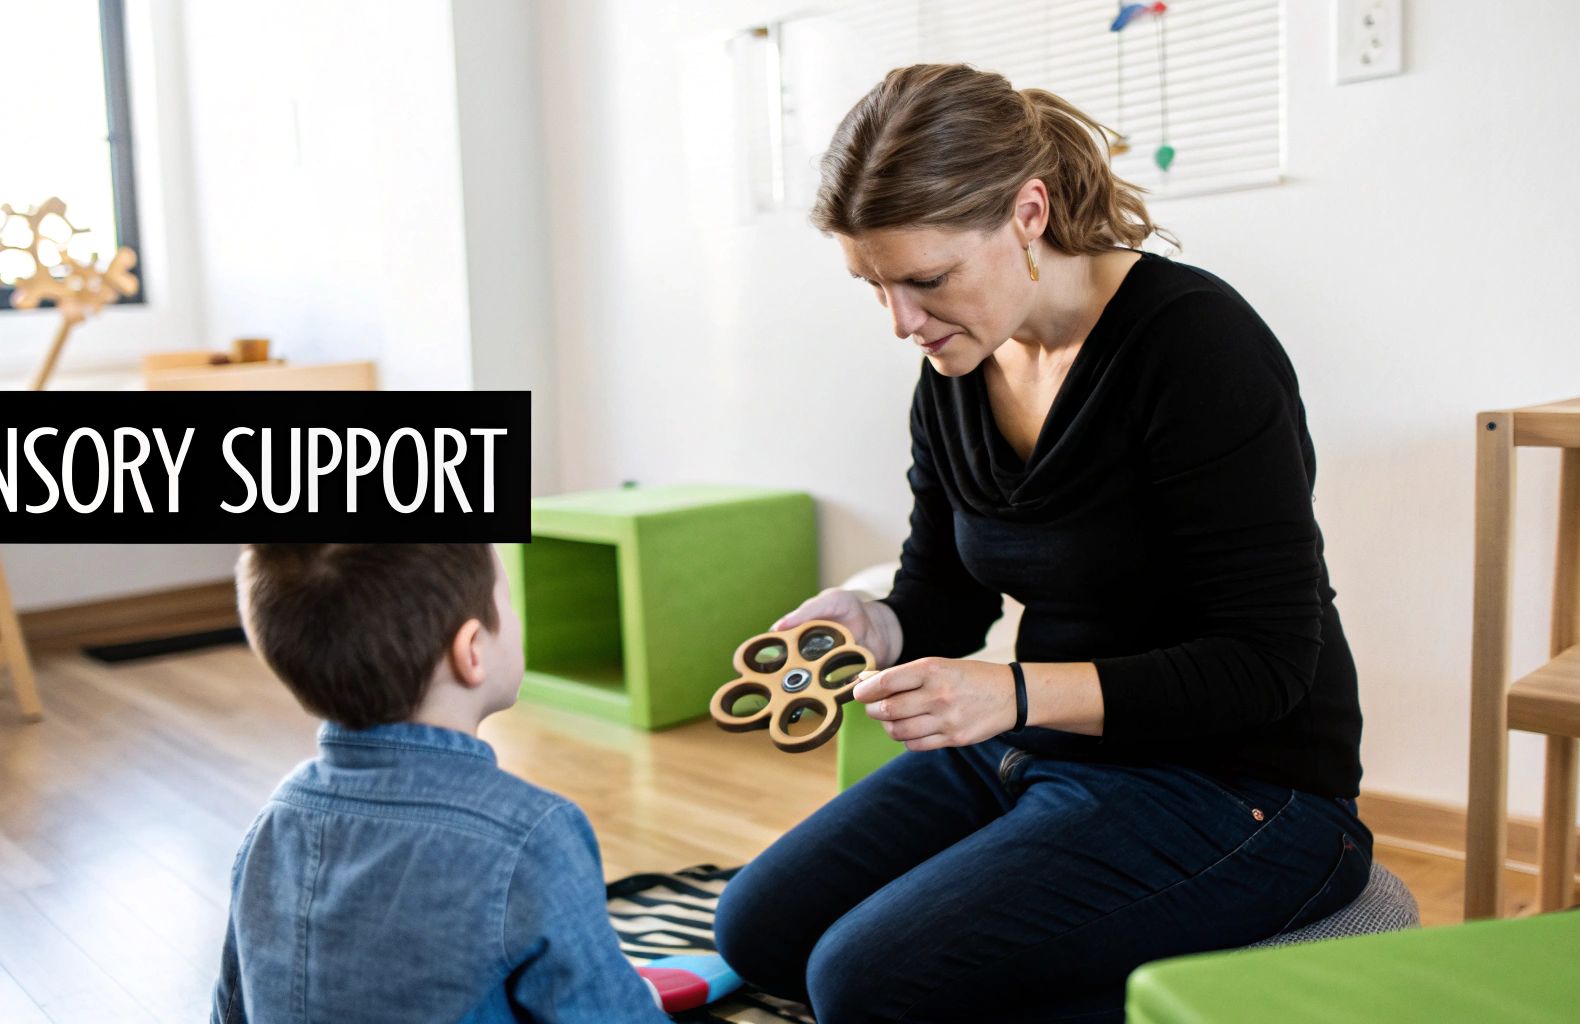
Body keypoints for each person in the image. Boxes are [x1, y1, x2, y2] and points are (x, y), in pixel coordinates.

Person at [714, 64, 1371, 1024]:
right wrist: (876, 623)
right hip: (1048, 746)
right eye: (876, 286)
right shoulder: (955, 368)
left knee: (863, 980)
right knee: (759, 930)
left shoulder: (1196, 347)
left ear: (1029, 212)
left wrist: (1013, 692)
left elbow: (1266, 663)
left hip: (1244, 789)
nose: (903, 322)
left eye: (927, 280)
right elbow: (944, 594)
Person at [212, 543, 668, 1024]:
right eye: (506, 601)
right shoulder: (532, 836)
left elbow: (231, 1011)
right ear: (471, 652)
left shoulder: (272, 822)